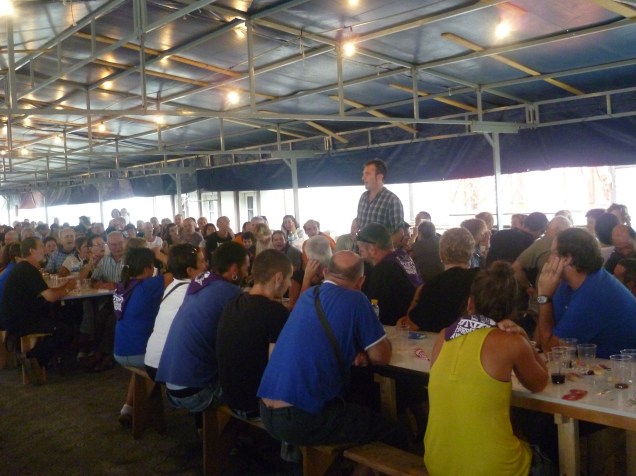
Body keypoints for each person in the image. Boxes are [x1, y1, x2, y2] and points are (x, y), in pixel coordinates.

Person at [258, 251, 406, 450]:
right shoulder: (357, 299)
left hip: (266, 410)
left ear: (326, 272)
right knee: (394, 432)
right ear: (361, 281)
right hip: (301, 417)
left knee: (355, 414)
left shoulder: (308, 295)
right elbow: (381, 357)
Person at [424, 262, 548, 475]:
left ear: (470, 303)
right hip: (495, 469)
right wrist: (524, 338)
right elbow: (540, 382)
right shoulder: (512, 342)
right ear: (512, 310)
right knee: (550, 459)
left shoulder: (444, 336)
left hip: (437, 464)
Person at [156, 242, 249, 422]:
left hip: (171, 385)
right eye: (246, 267)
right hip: (196, 392)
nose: (247, 273)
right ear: (234, 269)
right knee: (253, 384)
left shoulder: (199, 283)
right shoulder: (232, 293)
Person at [536, 228, 636, 358]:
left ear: (567, 259)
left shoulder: (595, 293)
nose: (548, 259)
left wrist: (544, 297)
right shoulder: (568, 284)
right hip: (594, 363)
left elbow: (552, 351)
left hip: (622, 367)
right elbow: (541, 340)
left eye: (553, 253)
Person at [217, 249, 291, 419]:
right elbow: (278, 368)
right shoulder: (276, 313)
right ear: (278, 278)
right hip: (254, 405)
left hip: (229, 396)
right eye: (289, 278)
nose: (289, 285)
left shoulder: (235, 302)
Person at [0, 237, 77, 385]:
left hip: (13, 318)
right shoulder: (28, 270)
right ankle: (32, 356)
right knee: (65, 330)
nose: (45, 249)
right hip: (20, 322)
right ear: (32, 251)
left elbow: (45, 293)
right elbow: (51, 297)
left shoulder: (23, 268)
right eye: (41, 246)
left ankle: (41, 360)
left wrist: (64, 287)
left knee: (61, 318)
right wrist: (68, 288)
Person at [113, 247, 173, 427]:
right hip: (140, 353)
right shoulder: (148, 286)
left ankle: (128, 408)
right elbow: (180, 271)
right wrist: (160, 255)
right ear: (147, 268)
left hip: (121, 351)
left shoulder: (122, 285)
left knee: (141, 370)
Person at [398, 227, 479, 333]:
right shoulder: (484, 280)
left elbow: (412, 325)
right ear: (471, 253)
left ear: (441, 255)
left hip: (441, 342)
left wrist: (416, 298)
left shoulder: (432, 286)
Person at [145, 244, 207, 379]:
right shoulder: (192, 293)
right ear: (190, 270)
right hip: (166, 366)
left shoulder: (174, 284)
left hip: (152, 360)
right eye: (202, 262)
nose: (206, 266)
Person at [357, 223, 421, 325]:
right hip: (414, 319)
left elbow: (376, 312)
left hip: (398, 326)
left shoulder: (383, 271)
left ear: (372, 249)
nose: (361, 256)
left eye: (361, 251)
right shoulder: (404, 257)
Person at [357, 158, 404, 233]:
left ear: (379, 177)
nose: (363, 178)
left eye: (367, 174)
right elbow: (361, 222)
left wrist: (384, 242)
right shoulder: (363, 197)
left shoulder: (392, 200)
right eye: (363, 174)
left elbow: (399, 233)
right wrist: (355, 222)